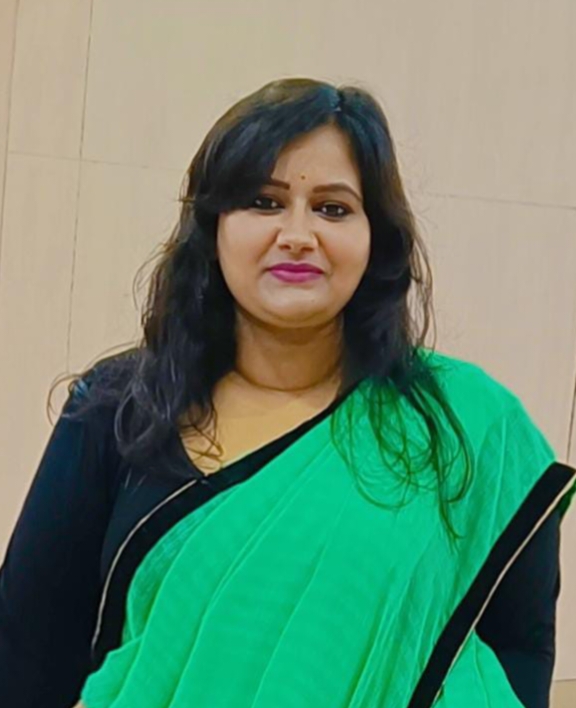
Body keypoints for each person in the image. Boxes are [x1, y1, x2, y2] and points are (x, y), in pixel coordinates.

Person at [0, 77, 574, 708]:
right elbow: (26, 652)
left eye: (333, 208)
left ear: (375, 237)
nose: (298, 234)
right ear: (214, 227)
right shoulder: (121, 407)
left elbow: (517, 647)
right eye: (264, 202)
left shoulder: (464, 427)